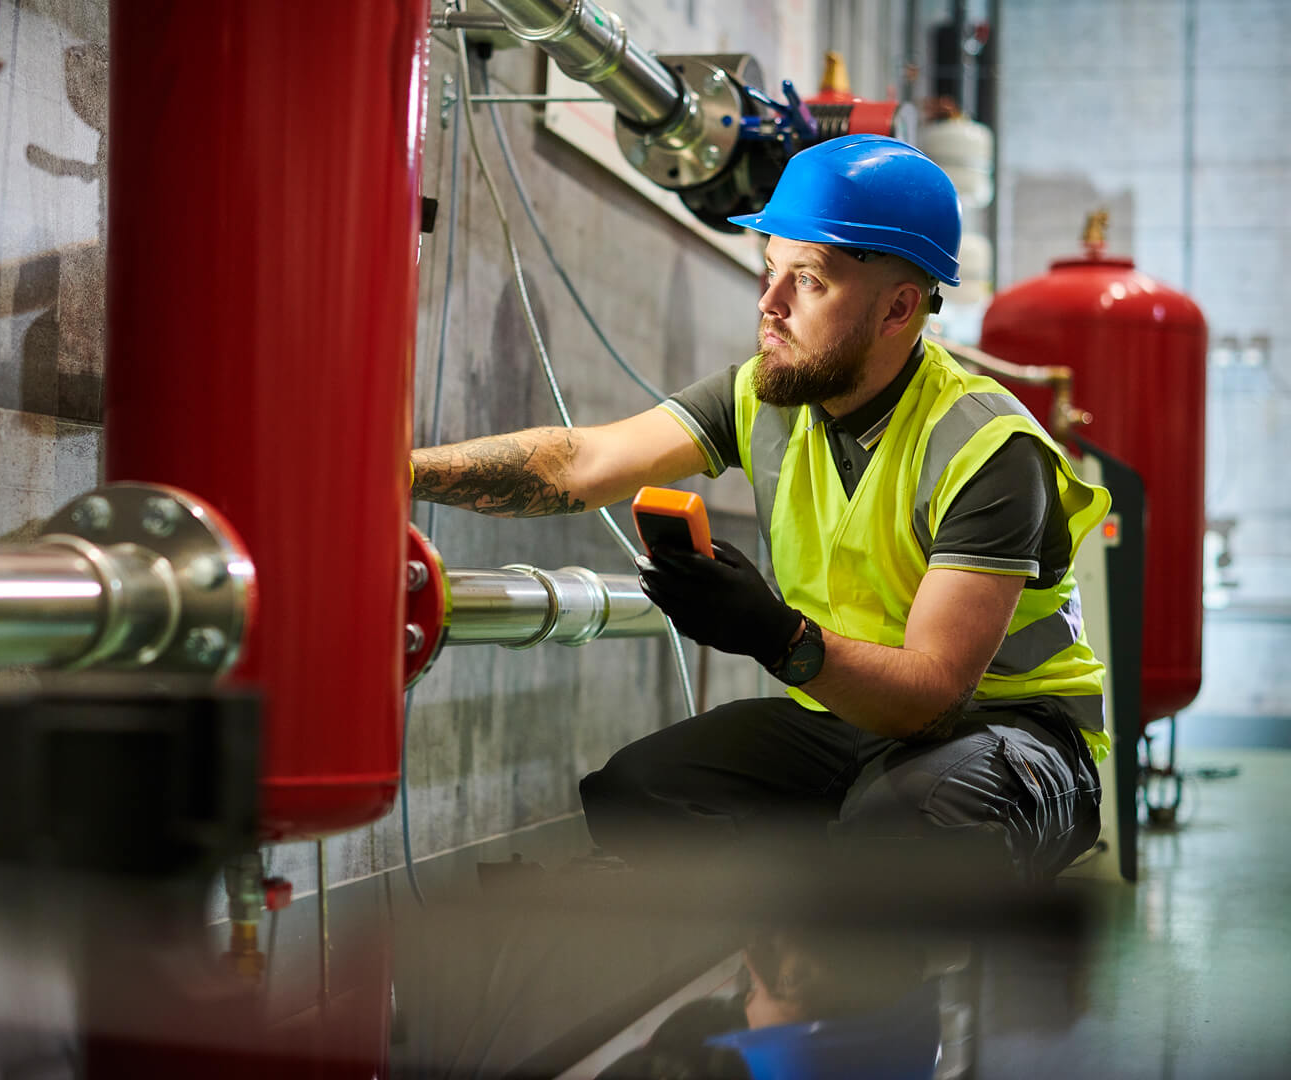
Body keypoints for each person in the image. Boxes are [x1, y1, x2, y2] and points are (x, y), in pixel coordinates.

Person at [409, 135, 1107, 882]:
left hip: (1011, 734)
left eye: (806, 281)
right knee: (641, 797)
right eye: (769, 271)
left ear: (899, 308)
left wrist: (778, 636)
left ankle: (870, 968)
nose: (768, 307)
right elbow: (583, 462)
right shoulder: (768, 395)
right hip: (855, 720)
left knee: (909, 825)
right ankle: (795, 955)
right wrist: (398, 473)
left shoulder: (986, 447)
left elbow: (933, 703)